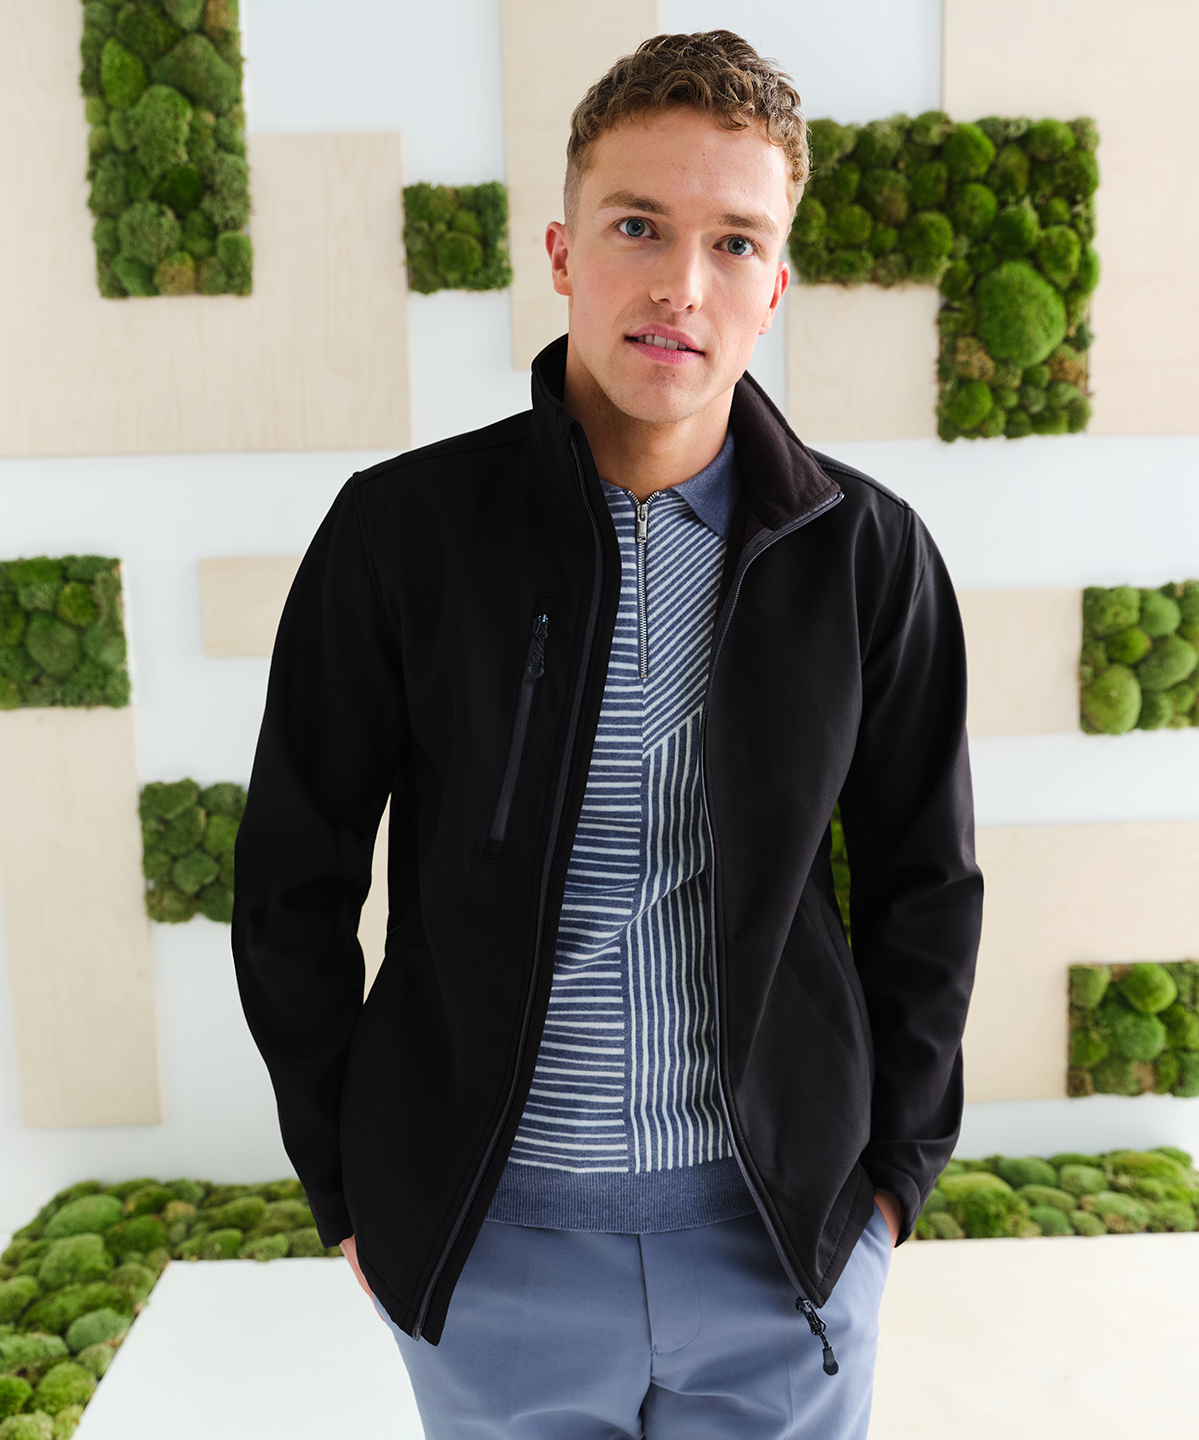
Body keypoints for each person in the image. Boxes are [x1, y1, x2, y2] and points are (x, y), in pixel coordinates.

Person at [232, 29, 983, 1440]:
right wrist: (352, 1190)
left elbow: (926, 885)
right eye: (638, 225)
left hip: (782, 1253)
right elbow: (291, 879)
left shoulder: (866, 554)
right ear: (564, 253)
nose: (681, 284)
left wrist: (887, 1193)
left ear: (775, 285)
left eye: (735, 242)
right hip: (492, 1257)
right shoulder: (401, 536)